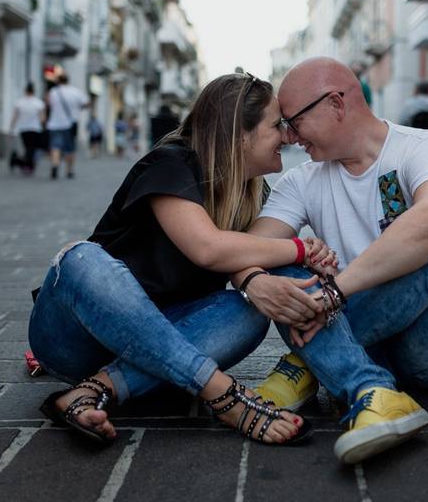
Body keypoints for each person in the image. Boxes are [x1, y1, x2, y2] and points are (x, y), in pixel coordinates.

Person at [28, 73, 342, 446]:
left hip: (158, 351)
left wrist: (269, 277)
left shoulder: (252, 193)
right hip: (77, 339)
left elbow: (246, 258)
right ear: (238, 135)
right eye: (277, 126)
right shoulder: (171, 163)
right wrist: (302, 249)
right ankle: (222, 394)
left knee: (251, 309)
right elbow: (207, 248)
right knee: (82, 258)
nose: (289, 137)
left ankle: (95, 391)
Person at [235, 57, 428, 464]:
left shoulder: (425, 147)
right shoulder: (302, 181)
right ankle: (371, 392)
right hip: (367, 343)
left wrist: (336, 291)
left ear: (336, 103)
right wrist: (254, 277)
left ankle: (308, 362)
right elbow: (248, 248)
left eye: (294, 121)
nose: (290, 137)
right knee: (282, 265)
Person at [45, 74, 89, 179]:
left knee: (55, 146)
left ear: (58, 81)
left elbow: (47, 103)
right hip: (70, 123)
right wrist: (77, 108)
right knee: (70, 148)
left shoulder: (53, 91)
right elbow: (86, 103)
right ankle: (69, 170)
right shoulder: (76, 92)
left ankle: (55, 165)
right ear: (68, 81)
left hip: (54, 124)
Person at [9, 82, 46, 174]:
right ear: (34, 91)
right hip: (35, 129)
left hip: (23, 129)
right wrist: (43, 127)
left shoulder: (19, 102)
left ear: (25, 90)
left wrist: (11, 129)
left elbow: (15, 117)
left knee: (28, 147)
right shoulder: (38, 103)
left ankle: (24, 163)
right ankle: (25, 164)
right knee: (32, 148)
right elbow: (42, 118)